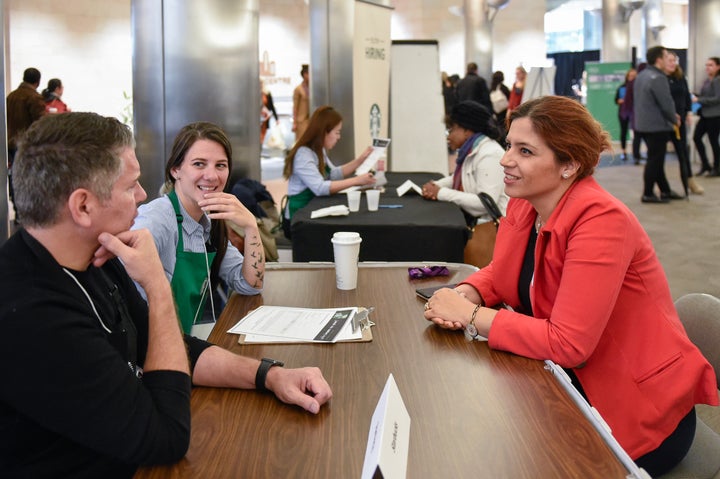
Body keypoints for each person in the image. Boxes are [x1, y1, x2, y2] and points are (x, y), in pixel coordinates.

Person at [0, 112, 332, 477]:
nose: (142, 196)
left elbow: (176, 346)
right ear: (83, 206)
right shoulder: (32, 316)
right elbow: (167, 437)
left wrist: (270, 376)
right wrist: (157, 285)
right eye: (130, 187)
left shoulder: (96, 255)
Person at [423, 96, 718, 477]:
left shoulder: (602, 221)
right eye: (509, 145)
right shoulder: (525, 202)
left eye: (525, 151)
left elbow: (569, 343)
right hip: (566, 381)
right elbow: (502, 272)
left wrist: (472, 316)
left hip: (634, 414)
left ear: (570, 165)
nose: (505, 159)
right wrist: (467, 293)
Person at [132, 122, 264, 336]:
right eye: (199, 164)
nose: (212, 176)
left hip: (185, 342)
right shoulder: (156, 221)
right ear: (176, 170)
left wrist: (250, 227)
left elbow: (249, 284)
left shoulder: (208, 220)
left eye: (220, 165)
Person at [282, 105, 376, 237]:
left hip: (313, 211)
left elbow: (333, 174)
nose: (339, 137)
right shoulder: (303, 154)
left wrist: (361, 159)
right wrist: (356, 181)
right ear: (323, 132)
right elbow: (320, 187)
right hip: (297, 220)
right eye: (337, 132)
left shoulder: (319, 150)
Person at [421, 100, 508, 223]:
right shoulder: (471, 150)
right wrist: (435, 186)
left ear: (467, 131)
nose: (448, 136)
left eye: (451, 130)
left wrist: (441, 193)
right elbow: (460, 178)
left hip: (489, 231)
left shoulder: (490, 154)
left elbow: (486, 203)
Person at [634, 46, 683, 203]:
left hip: (644, 125)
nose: (668, 60)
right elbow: (666, 104)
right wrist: (675, 119)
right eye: (666, 56)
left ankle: (665, 190)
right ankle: (648, 193)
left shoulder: (642, 75)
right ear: (658, 59)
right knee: (655, 160)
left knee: (657, 159)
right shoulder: (658, 77)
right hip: (656, 126)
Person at [6, 67, 45, 223]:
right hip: (28, 146)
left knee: (15, 177)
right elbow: (41, 124)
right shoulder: (34, 98)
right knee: (31, 179)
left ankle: (18, 212)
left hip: (10, 144)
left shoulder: (11, 97)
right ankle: (28, 214)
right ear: (37, 81)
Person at [665, 53, 703, 194]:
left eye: (674, 60)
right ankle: (662, 186)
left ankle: (690, 182)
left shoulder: (680, 77)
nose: (672, 63)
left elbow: (687, 95)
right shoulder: (660, 78)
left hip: (679, 121)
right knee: (657, 156)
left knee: (682, 153)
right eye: (669, 60)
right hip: (664, 120)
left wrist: (688, 112)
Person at [692, 56, 720, 177]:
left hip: (714, 115)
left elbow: (717, 98)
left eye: (711, 65)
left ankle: (717, 167)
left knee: (713, 141)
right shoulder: (708, 80)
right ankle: (705, 164)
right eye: (707, 65)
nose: (708, 68)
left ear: (718, 67)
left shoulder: (718, 80)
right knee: (696, 137)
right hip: (705, 114)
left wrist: (700, 99)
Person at [615, 68, 636, 161]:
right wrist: (621, 101)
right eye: (630, 76)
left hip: (634, 113)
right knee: (623, 132)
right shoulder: (621, 87)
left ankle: (636, 153)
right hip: (623, 113)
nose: (632, 78)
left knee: (636, 133)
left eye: (634, 76)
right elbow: (616, 99)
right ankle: (624, 152)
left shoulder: (638, 88)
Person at [292, 64, 310, 141]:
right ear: (304, 74)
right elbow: (295, 107)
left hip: (311, 120)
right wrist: (294, 122)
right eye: (308, 74)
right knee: (301, 142)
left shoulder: (312, 88)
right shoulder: (298, 89)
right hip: (301, 121)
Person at [260, 79, 278, 145]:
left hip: (265, 118)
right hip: (256, 119)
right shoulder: (254, 93)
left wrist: (276, 118)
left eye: (261, 83)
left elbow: (272, 106)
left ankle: (260, 149)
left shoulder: (267, 93)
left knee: (263, 135)